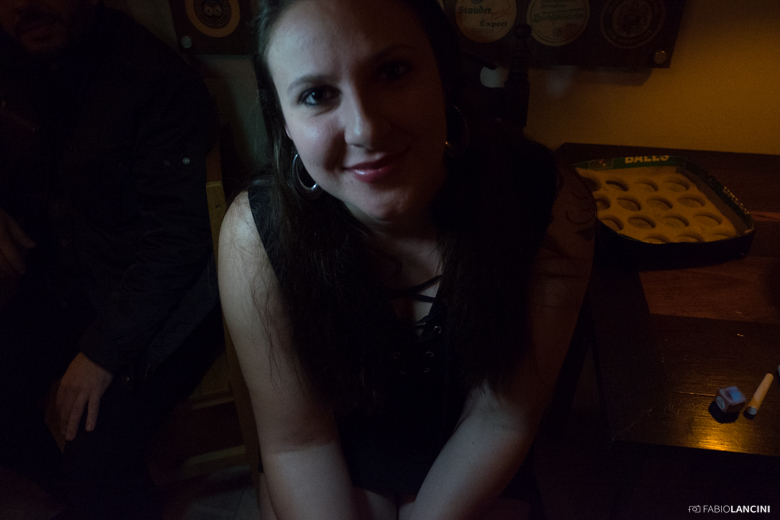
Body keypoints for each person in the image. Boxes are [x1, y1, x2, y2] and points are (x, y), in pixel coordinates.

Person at [218, 0, 595, 518]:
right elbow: (297, 442)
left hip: (478, 455)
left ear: (443, 74)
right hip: (328, 460)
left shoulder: (547, 204)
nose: (366, 130)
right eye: (317, 95)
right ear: (283, 121)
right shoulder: (255, 236)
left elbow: (503, 417)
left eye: (393, 72)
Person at [0, 1, 221, 518]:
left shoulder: (152, 77)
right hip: (70, 279)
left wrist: (99, 354)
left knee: (93, 445)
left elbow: (180, 241)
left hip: (166, 295)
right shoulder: (15, 59)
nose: (25, 5)